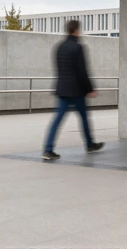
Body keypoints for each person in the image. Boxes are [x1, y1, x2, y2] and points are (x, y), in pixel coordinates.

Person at [42, 20, 104, 160]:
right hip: (76, 90)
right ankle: (89, 145)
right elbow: (82, 71)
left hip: (62, 89)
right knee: (84, 118)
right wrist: (90, 89)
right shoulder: (77, 47)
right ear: (76, 30)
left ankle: (48, 149)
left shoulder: (59, 47)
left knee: (57, 120)